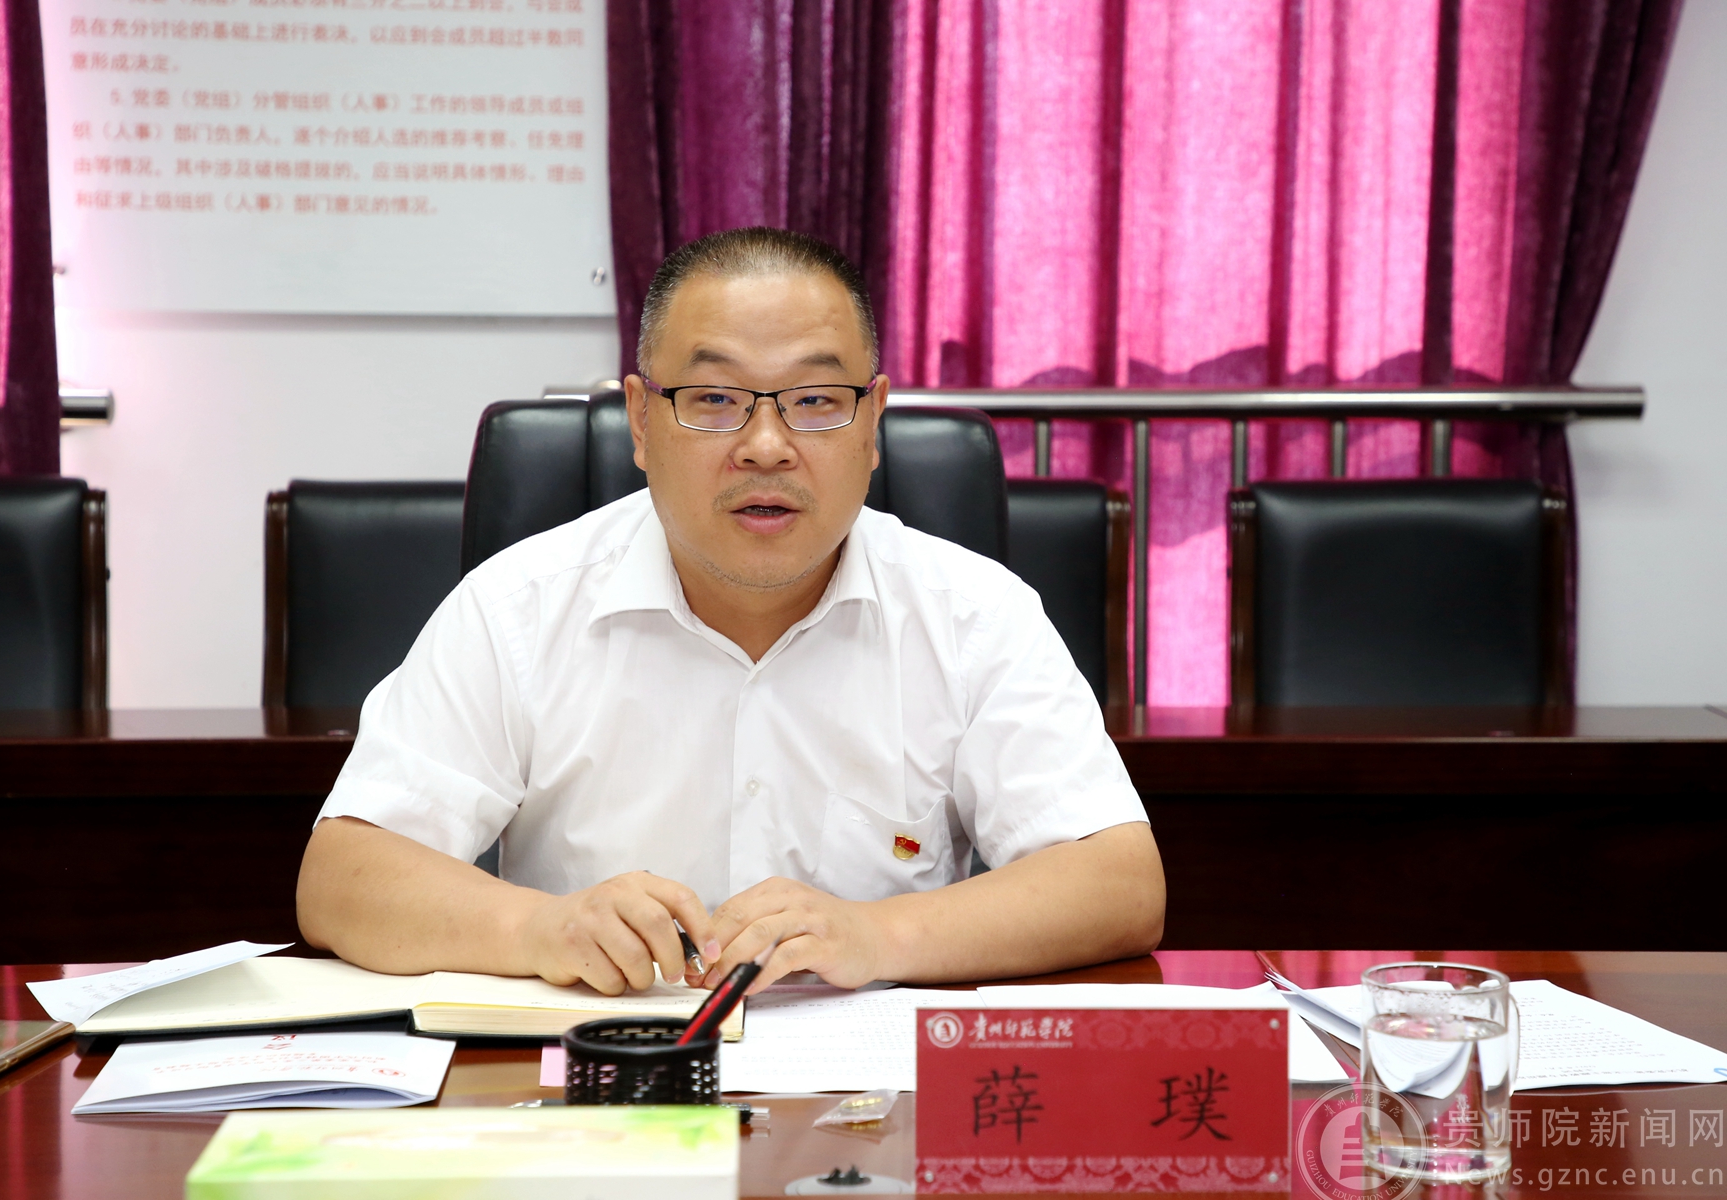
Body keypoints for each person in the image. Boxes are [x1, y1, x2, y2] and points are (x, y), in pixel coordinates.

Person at [296, 226, 1164, 996]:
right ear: (642, 422)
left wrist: (877, 936)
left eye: (815, 401)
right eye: (714, 400)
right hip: (598, 1084)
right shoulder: (517, 608)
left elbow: (1119, 882)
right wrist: (539, 929)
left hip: (871, 1097)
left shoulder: (973, 614)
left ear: (872, 423)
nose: (766, 446)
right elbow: (345, 878)